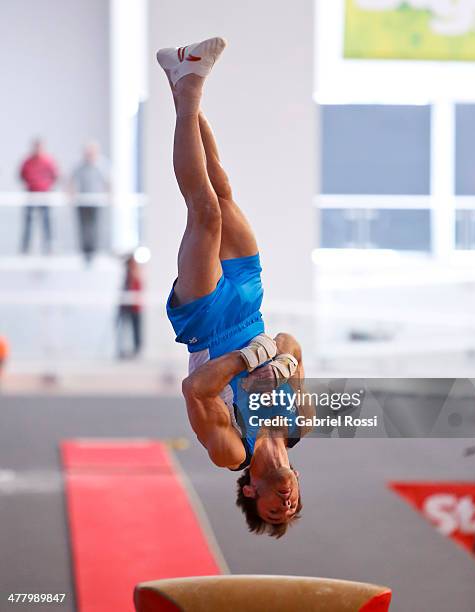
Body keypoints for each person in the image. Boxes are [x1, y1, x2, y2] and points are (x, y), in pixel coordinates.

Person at [157, 37, 315, 537]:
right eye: (292, 507)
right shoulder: (298, 425)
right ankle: (181, 80)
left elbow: (195, 388)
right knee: (223, 193)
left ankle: (190, 83)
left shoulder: (232, 452)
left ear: (252, 492)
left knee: (203, 213)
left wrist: (252, 364)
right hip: (250, 307)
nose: (285, 500)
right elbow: (292, 346)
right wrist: (282, 359)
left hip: (206, 321)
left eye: (273, 509)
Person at [70, 142, 110, 263]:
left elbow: (108, 181)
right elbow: (71, 179)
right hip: (82, 202)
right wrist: (71, 194)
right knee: (84, 227)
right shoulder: (80, 166)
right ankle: (85, 251)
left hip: (96, 202)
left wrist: (108, 195)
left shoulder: (101, 165)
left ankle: (93, 251)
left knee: (94, 227)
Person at [19, 139, 58, 254]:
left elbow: (55, 175)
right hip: (31, 194)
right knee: (28, 222)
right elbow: (22, 175)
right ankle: (25, 247)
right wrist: (32, 184)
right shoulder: (28, 161)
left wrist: (46, 186)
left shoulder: (48, 161)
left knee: (47, 221)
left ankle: (49, 246)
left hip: (45, 195)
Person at [116, 254, 143, 359]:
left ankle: (135, 350)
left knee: (135, 330)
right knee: (125, 328)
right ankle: (123, 350)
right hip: (127, 306)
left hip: (134, 307)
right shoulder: (128, 276)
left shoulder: (135, 274)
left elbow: (136, 290)